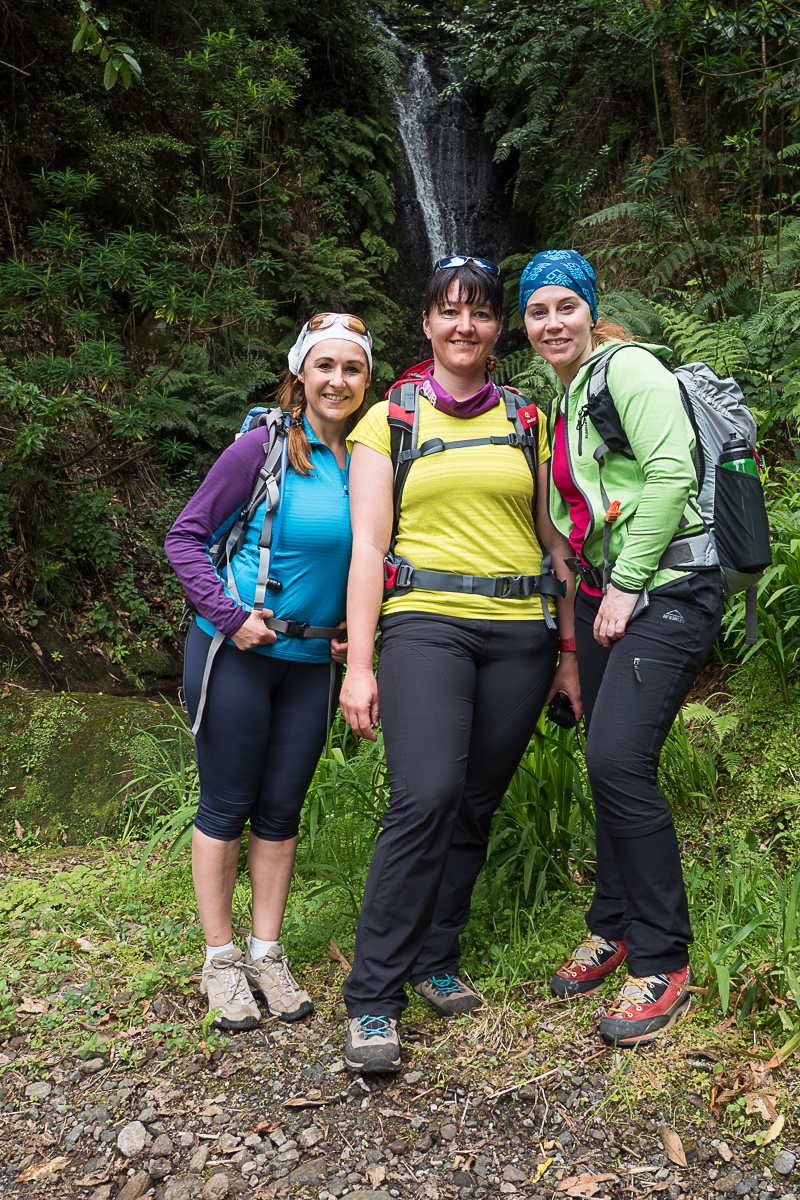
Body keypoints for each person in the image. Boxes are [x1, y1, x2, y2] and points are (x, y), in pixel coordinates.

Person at [339, 255, 582, 1072]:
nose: (465, 326)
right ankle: (373, 998)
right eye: (450, 312)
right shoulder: (390, 418)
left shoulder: (529, 418)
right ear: (427, 324)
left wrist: (570, 652)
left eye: (479, 313)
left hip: (520, 633)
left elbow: (558, 546)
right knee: (425, 796)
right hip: (426, 626)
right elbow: (369, 548)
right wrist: (360, 665)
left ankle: (432, 959)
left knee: (474, 802)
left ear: (495, 328)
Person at [519, 249, 724, 1047]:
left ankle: (665, 957)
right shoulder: (567, 395)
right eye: (537, 312)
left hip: (668, 588)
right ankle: (614, 923)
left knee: (616, 760)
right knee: (607, 761)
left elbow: (671, 472)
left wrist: (631, 581)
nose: (551, 323)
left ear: (590, 310)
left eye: (565, 307)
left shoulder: (628, 368)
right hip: (610, 592)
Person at [164, 313, 372, 1031]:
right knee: (227, 806)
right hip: (240, 653)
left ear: (366, 381)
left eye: (352, 369)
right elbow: (185, 538)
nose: (337, 380)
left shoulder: (370, 461)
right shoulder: (261, 448)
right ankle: (220, 960)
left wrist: (352, 633)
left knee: (282, 811)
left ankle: (266, 952)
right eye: (325, 366)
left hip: (313, 662)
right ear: (301, 374)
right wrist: (228, 616)